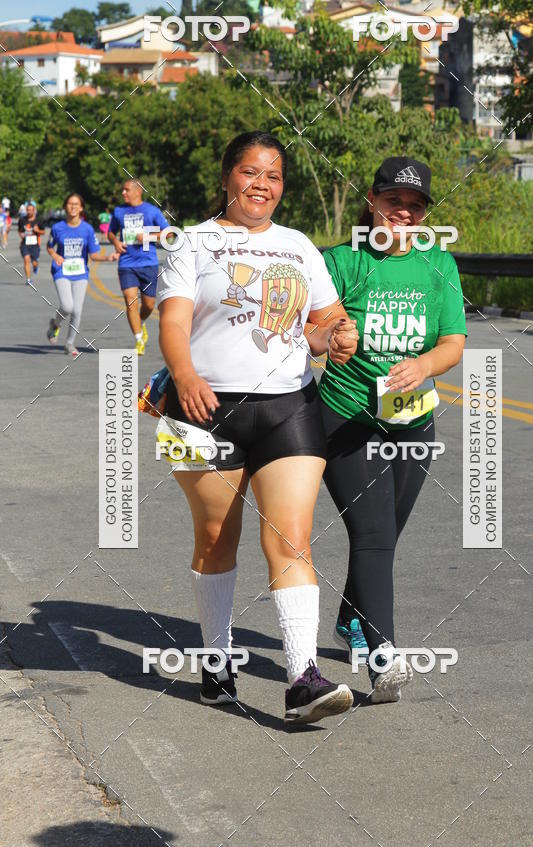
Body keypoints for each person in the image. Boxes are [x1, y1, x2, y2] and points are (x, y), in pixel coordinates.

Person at [157, 131, 359, 725]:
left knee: (291, 537)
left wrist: (336, 338)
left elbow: (321, 325)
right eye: (249, 173)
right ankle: (217, 661)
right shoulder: (193, 242)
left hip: (289, 405)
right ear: (227, 178)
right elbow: (174, 320)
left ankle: (302, 678)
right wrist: (185, 372)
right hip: (204, 407)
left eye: (272, 176)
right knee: (217, 535)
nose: (261, 185)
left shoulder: (299, 246)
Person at [318, 156, 467, 703]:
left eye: (415, 205)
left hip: (413, 418)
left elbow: (453, 342)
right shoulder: (342, 260)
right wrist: (331, 334)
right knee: (374, 533)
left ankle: (351, 618)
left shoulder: (438, 265)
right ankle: (386, 659)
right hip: (347, 418)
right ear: (373, 200)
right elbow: (305, 324)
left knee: (386, 532)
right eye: (393, 200)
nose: (403, 212)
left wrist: (425, 365)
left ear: (426, 213)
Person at [46, 193, 118, 356]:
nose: (73, 207)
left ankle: (69, 344)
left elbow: (93, 255)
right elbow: (50, 246)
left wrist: (108, 257)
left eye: (76, 204)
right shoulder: (58, 228)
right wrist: (55, 255)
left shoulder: (87, 229)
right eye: (70, 204)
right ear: (65, 207)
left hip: (80, 273)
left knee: (77, 310)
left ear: (81, 208)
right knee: (67, 306)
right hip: (61, 271)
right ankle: (55, 324)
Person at [108, 179, 169, 355]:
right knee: (130, 300)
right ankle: (138, 339)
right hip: (126, 263)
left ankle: (141, 322)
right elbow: (111, 232)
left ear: (138, 191)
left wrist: (148, 236)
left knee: (149, 305)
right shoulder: (119, 211)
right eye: (123, 190)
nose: (123, 193)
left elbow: (168, 233)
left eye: (126, 190)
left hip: (148, 263)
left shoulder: (151, 211)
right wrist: (116, 241)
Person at [18, 203, 45, 285]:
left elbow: (43, 232)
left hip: (35, 244)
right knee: (26, 260)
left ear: (34, 211)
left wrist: (37, 231)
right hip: (25, 244)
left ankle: (36, 266)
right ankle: (28, 279)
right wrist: (21, 235)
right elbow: (19, 230)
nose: (29, 212)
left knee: (34, 262)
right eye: (28, 210)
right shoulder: (22, 220)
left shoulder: (39, 220)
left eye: (31, 210)